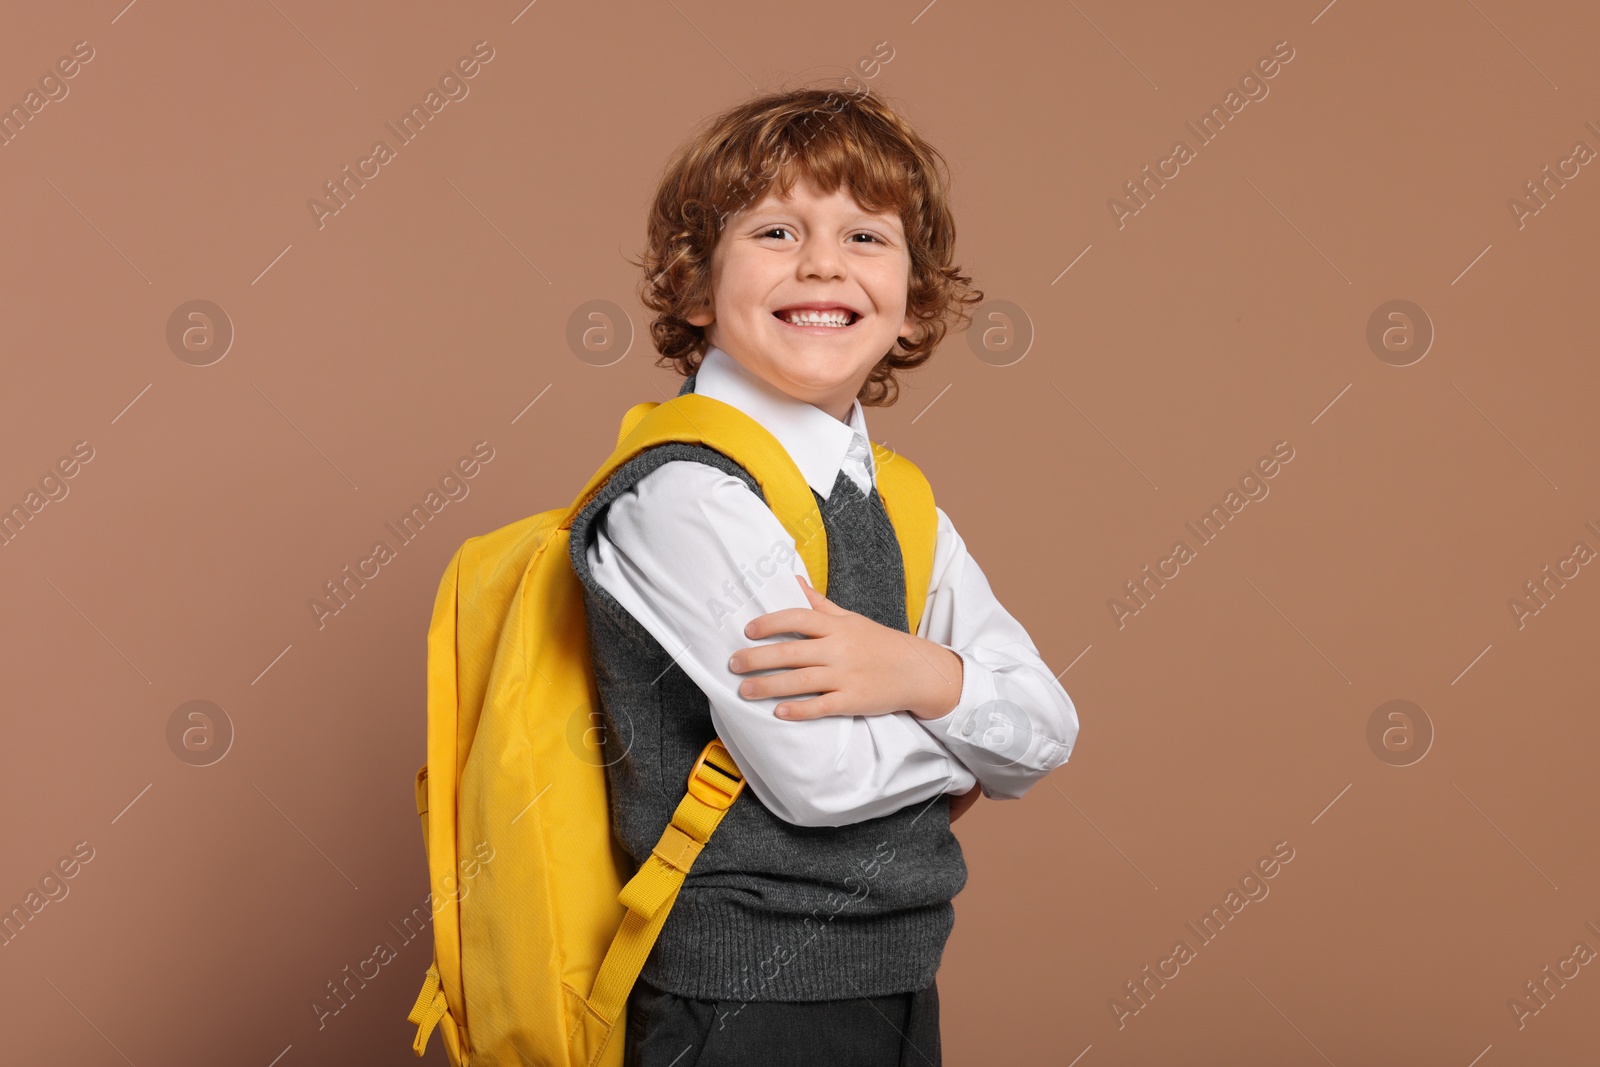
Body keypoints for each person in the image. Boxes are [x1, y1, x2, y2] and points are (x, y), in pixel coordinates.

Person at [564, 84, 1080, 1067]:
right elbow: (817, 778)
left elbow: (1050, 727)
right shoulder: (683, 493)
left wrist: (916, 674)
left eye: (865, 237)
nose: (820, 263)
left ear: (913, 299)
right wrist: (967, 729)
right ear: (693, 285)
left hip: (893, 974)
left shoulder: (898, 498)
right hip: (738, 1005)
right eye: (774, 230)